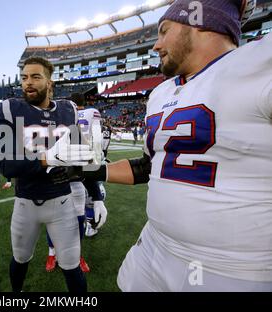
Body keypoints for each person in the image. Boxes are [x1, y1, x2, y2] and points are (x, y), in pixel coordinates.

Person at [58, 0, 272, 291]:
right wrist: (91, 171)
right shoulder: (160, 93)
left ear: (198, 23)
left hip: (233, 268)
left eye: (163, 31)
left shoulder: (258, 63)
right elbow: (150, 165)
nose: (155, 46)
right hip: (154, 246)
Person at [0, 57, 93, 292]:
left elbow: (82, 155)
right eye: (24, 77)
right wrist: (47, 159)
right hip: (25, 203)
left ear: (50, 83)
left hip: (62, 202)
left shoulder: (68, 110)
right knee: (20, 258)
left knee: (71, 264)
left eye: (36, 77)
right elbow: (7, 164)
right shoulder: (10, 108)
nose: (28, 83)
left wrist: (90, 189)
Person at [45, 92, 107, 273]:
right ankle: (52, 253)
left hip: (77, 179)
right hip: (57, 178)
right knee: (53, 219)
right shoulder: (53, 127)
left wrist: (97, 197)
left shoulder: (73, 128)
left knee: (79, 220)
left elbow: (88, 162)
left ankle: (77, 254)